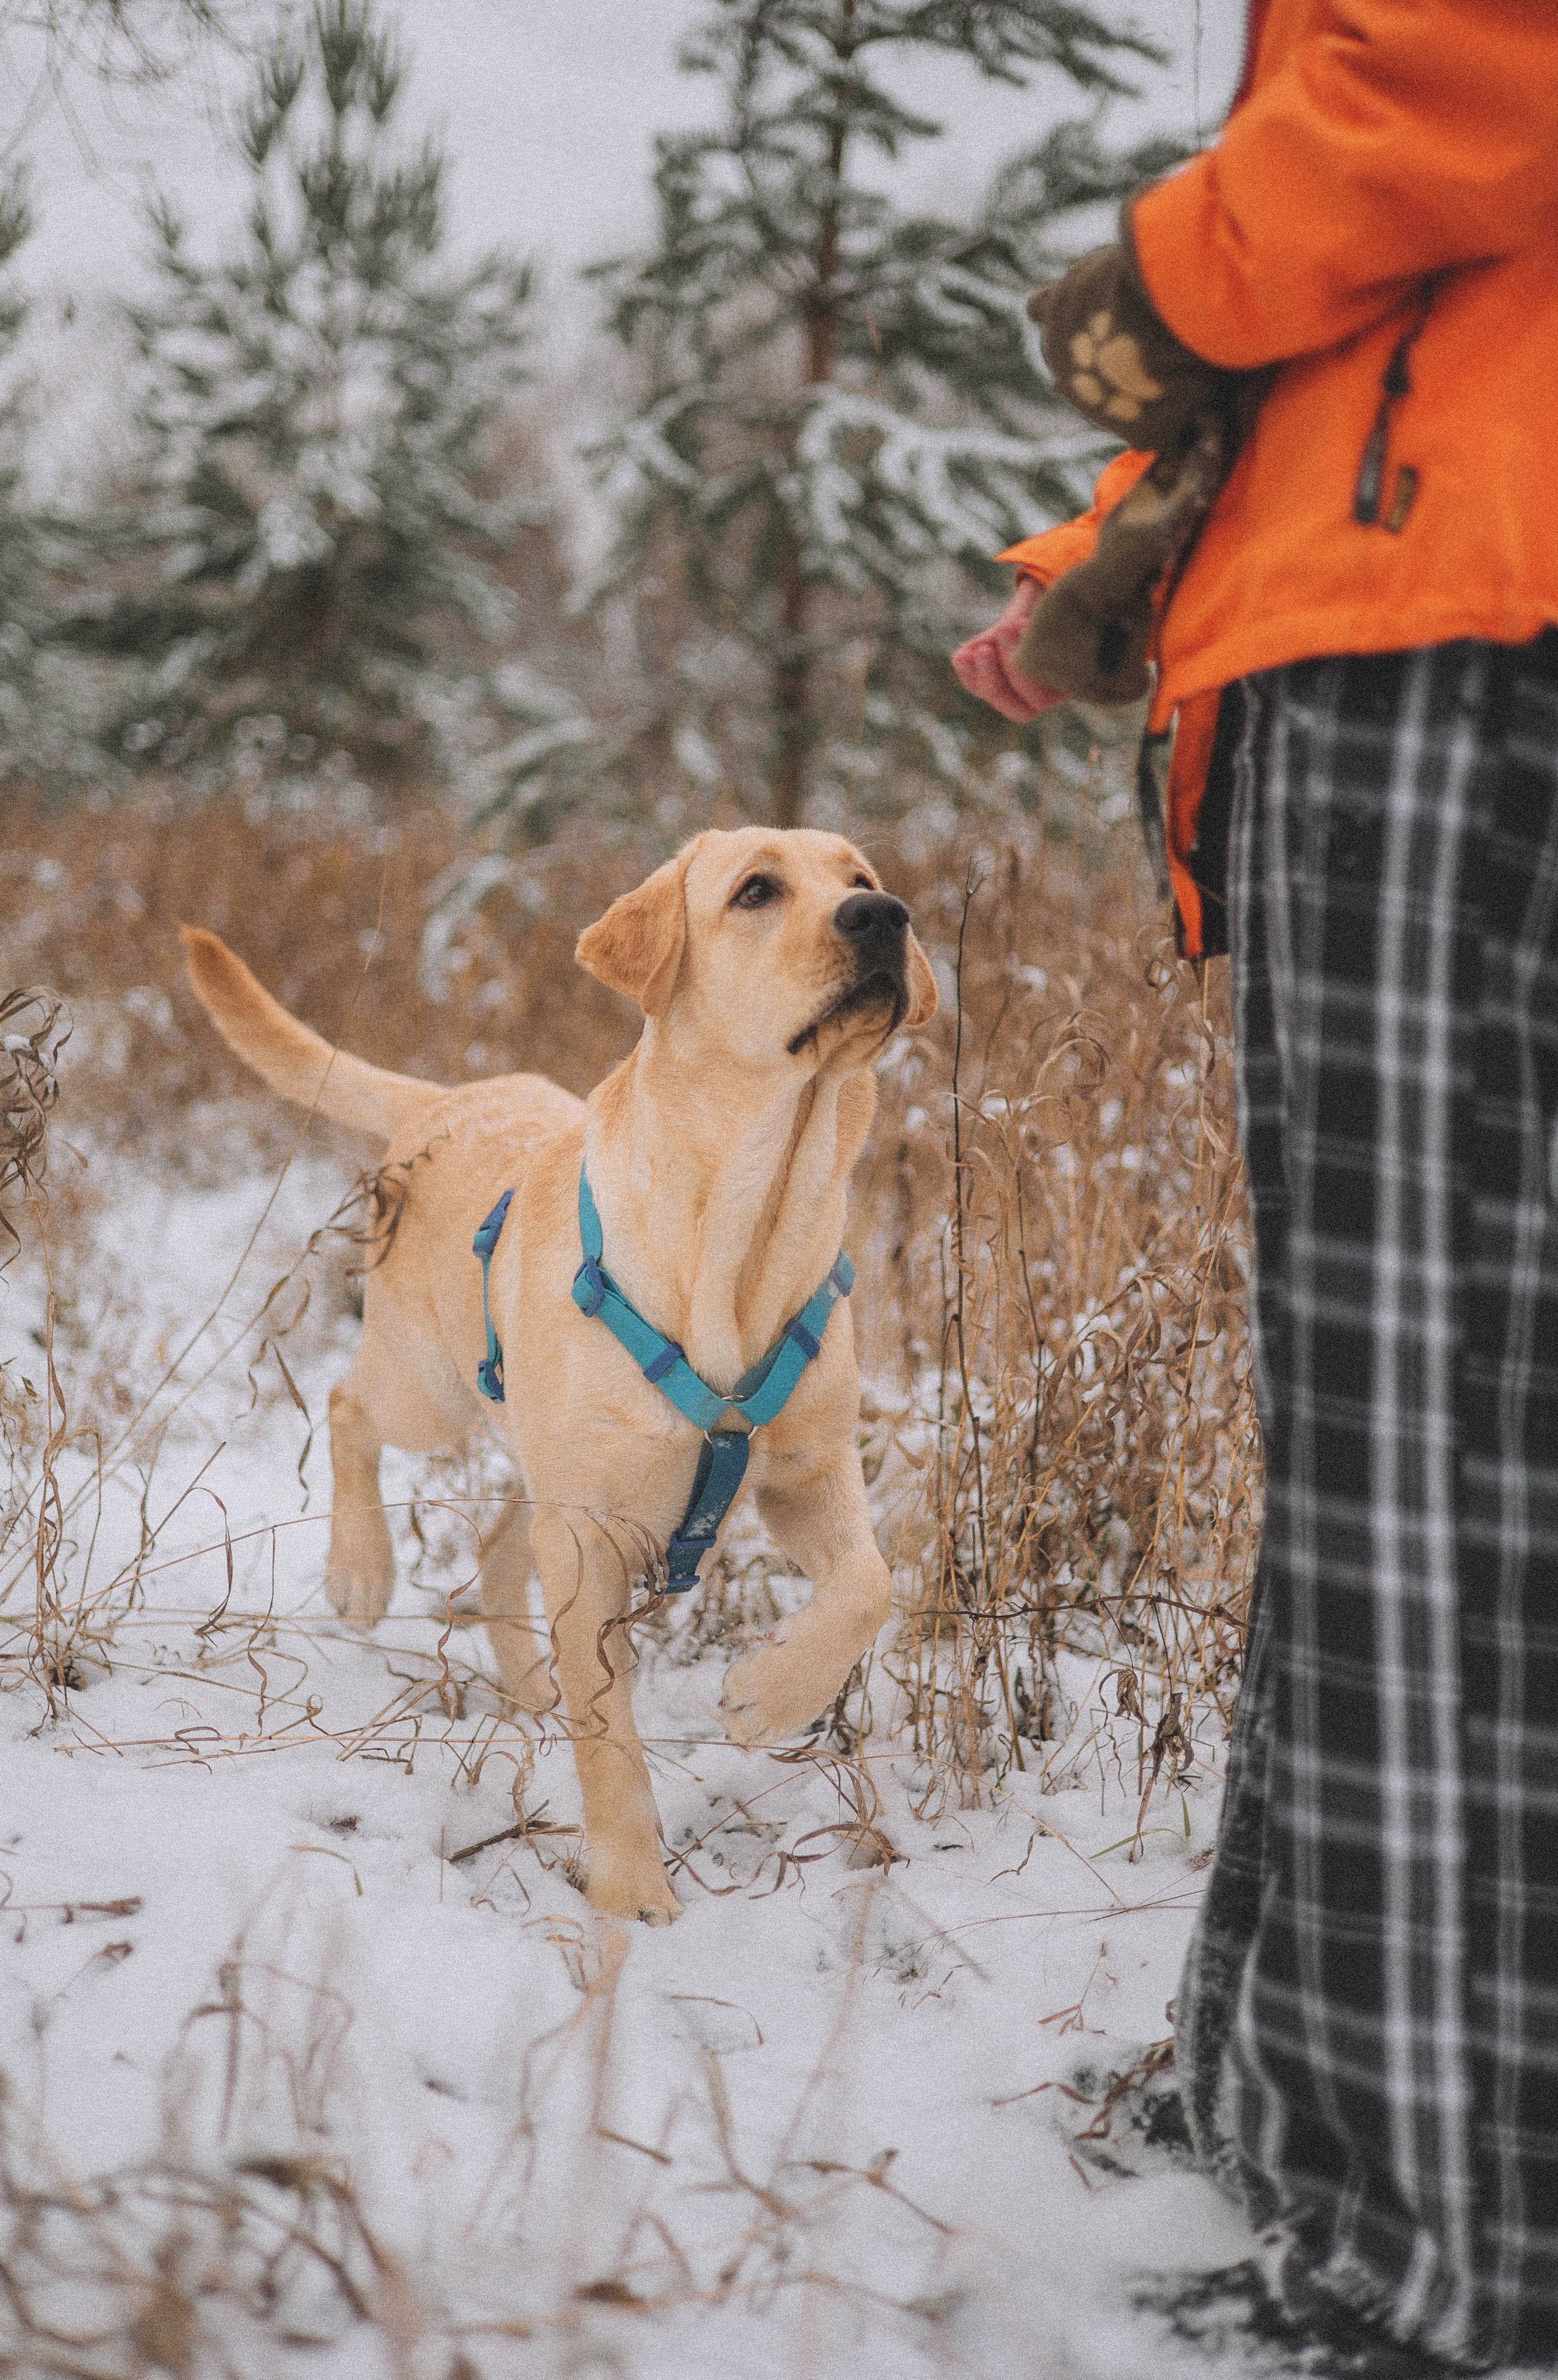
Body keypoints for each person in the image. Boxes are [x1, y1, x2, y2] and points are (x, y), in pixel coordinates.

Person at [953, 4, 1558, 2368]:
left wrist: (1164, 278)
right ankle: (1303, 2089)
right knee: (1409, 1440)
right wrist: (1116, 561)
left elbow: (1454, 91)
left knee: (1422, 1457)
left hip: (1456, 650)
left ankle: (1437, 2238)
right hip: (1405, 594)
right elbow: (1395, 343)